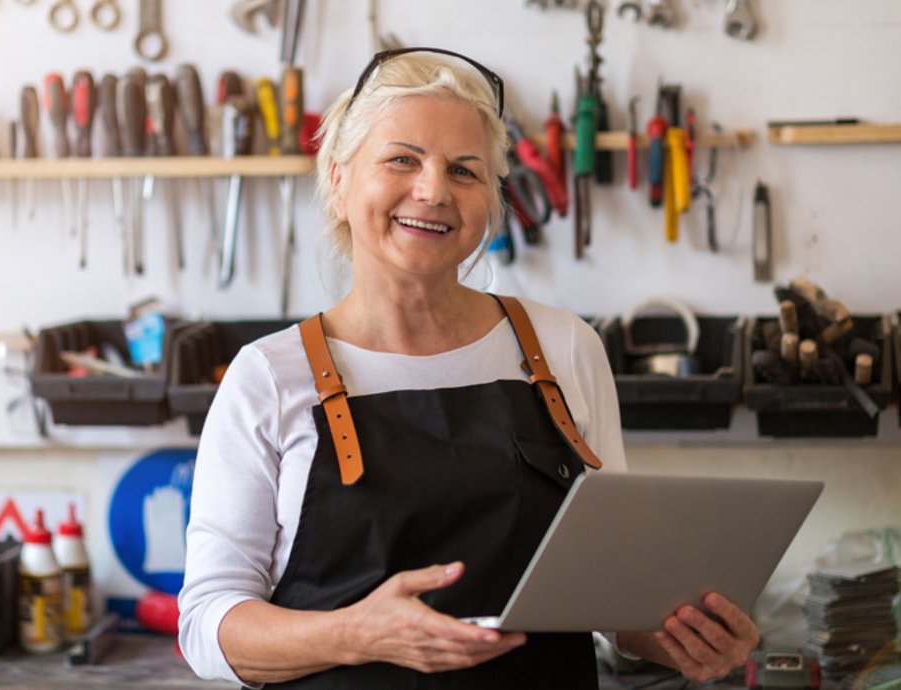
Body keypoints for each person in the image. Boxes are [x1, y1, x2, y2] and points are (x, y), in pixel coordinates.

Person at [178, 48, 760, 689]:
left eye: (464, 170)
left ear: (491, 198)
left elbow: (611, 600)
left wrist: (682, 639)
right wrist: (354, 634)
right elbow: (207, 626)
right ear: (339, 182)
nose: (433, 191)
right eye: (402, 159)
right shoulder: (268, 377)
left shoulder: (563, 348)